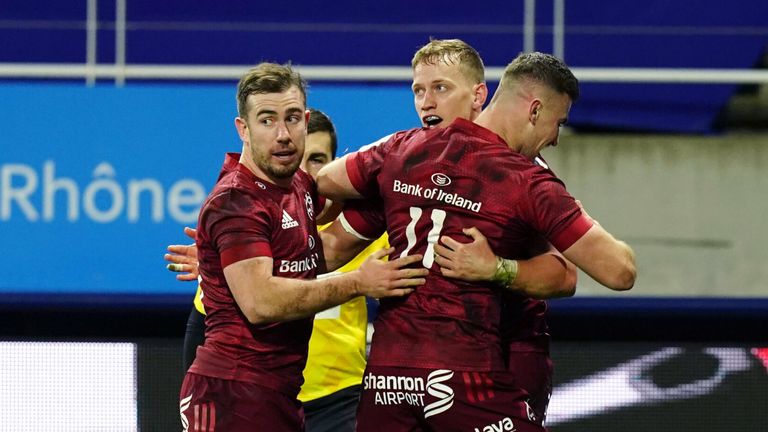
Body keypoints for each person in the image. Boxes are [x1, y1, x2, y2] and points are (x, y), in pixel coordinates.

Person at [316, 51, 636, 431]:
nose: (555, 138)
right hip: (470, 373)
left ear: (479, 95)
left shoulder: (399, 152)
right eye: (558, 123)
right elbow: (618, 271)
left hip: (387, 379)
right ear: (534, 110)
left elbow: (322, 186)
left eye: (440, 88)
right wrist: (498, 268)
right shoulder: (528, 180)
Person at [178, 62, 429, 431]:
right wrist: (359, 282)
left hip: (280, 395)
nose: (283, 134)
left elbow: (320, 249)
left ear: (306, 120)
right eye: (267, 120)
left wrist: (406, 178)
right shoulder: (234, 201)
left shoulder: (296, 185)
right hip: (230, 396)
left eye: (292, 118)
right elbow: (261, 302)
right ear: (242, 130)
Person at [167, 108, 379, 432]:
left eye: (318, 159)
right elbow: (209, 327)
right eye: (300, 158)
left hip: (337, 400)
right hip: (251, 394)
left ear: (336, 164)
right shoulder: (244, 230)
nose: (305, 171)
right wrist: (221, 258)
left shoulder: (366, 234)